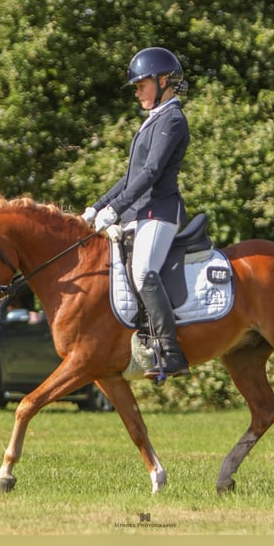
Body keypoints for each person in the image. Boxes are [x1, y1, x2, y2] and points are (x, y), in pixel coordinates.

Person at [81, 47, 190, 379]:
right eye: (137, 86)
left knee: (143, 271)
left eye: (142, 84)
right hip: (141, 212)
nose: (138, 91)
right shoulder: (153, 121)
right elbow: (130, 178)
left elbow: (152, 172)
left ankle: (171, 353)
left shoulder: (172, 119)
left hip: (160, 212)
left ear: (163, 81)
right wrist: (98, 206)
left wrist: (115, 210)